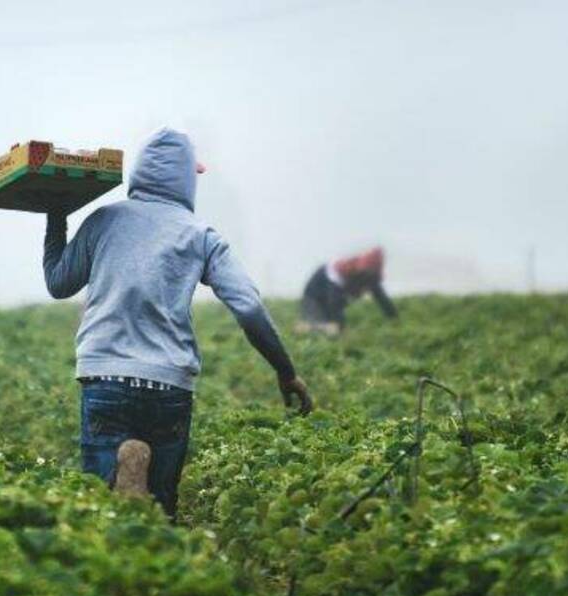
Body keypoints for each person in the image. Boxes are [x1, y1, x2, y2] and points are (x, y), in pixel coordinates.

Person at [42, 127, 312, 520]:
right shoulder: (201, 236)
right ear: (189, 179)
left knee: (99, 513)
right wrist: (286, 372)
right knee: (162, 512)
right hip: (168, 383)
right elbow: (249, 307)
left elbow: (57, 283)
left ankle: (122, 476)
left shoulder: (103, 221)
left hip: (105, 377)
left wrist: (55, 215)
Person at [299, 247, 397, 334]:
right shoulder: (339, 272)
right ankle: (304, 327)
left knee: (331, 325)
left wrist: (394, 319)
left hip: (334, 296)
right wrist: (342, 330)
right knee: (327, 330)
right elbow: (334, 303)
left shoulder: (371, 274)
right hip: (313, 296)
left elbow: (381, 297)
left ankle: (326, 324)